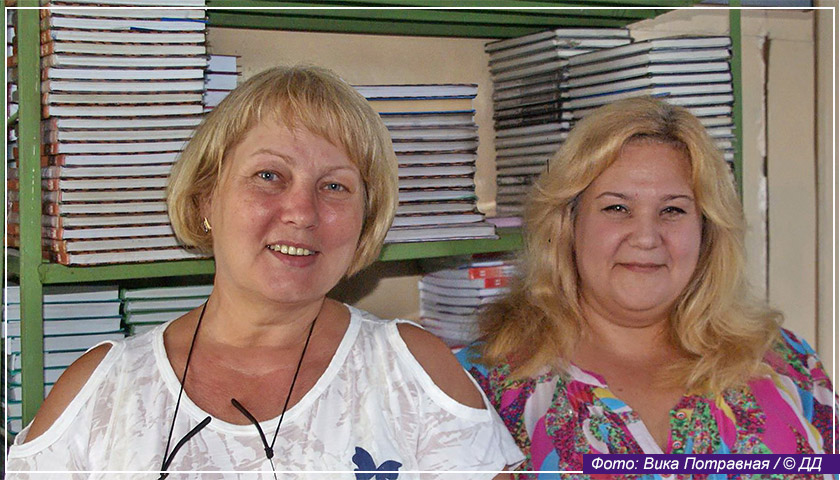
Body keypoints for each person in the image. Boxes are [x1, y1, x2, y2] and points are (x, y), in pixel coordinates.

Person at [7, 65, 524, 478]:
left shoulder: (415, 376)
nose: (302, 211)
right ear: (206, 198)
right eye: (269, 175)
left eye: (335, 186)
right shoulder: (101, 393)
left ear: (365, 221)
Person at [458, 97, 836, 476]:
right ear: (568, 224)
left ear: (706, 231)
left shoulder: (788, 367)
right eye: (617, 208)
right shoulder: (479, 387)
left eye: (672, 210)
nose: (645, 237)